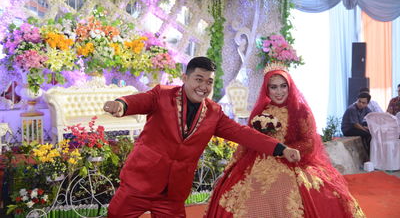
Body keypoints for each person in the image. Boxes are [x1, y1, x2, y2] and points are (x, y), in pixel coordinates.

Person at [103, 56, 300, 218]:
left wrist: (281, 149)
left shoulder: (214, 113)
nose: (204, 86)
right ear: (185, 78)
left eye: (209, 82)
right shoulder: (161, 95)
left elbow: (244, 134)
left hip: (172, 194)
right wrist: (121, 105)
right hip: (139, 183)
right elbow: (137, 101)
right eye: (198, 79)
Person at [205, 66, 365, 218]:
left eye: (283, 86)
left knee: (287, 191)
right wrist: (228, 170)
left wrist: (286, 151)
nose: (279, 92)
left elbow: (309, 143)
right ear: (267, 89)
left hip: (291, 161)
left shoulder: (300, 110)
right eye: (273, 87)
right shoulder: (262, 110)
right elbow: (248, 141)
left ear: (289, 87)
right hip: (257, 161)